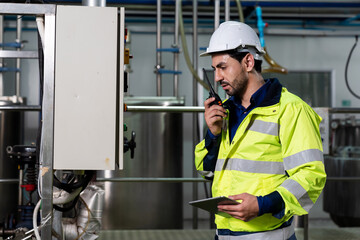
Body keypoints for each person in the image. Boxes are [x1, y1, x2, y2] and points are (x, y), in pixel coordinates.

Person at [194, 21, 326, 240]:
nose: (216, 77)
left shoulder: (290, 109)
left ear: (247, 62)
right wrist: (212, 135)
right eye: (214, 69)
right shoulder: (225, 112)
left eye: (223, 67)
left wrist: (263, 204)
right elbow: (207, 172)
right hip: (223, 234)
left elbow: (311, 175)